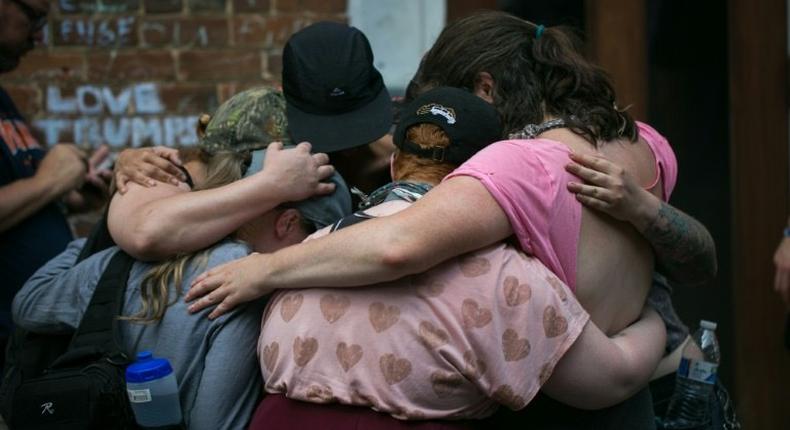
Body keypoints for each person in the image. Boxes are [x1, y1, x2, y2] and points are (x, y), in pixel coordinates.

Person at [186, 11, 717, 428]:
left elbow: (401, 244)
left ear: (485, 89)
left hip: (565, 403)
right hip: (653, 388)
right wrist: (649, 298)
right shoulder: (641, 140)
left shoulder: (516, 162)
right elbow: (696, 257)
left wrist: (264, 271)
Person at [247, 87, 666, 429]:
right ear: (484, 174)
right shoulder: (508, 277)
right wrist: (651, 318)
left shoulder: (309, 252)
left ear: (394, 166)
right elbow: (613, 379)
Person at [11, 88, 351, 430]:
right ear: (288, 222)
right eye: (312, 238)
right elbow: (214, 423)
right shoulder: (242, 286)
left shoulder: (123, 260)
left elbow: (28, 305)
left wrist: (106, 236)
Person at [0, 0, 115, 369]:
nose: (38, 34)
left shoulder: (2, 99)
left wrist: (69, 199)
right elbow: (39, 185)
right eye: (33, 15)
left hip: (26, 339)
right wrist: (49, 182)